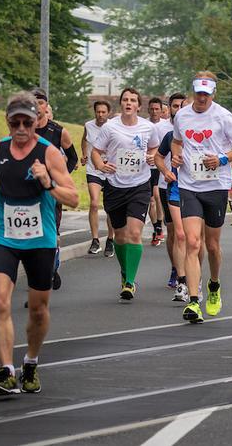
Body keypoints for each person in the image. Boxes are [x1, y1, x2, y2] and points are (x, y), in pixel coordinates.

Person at [0, 93, 78, 396]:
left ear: (36, 122)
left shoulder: (49, 154)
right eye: (15, 122)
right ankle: (7, 372)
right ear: (8, 122)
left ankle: (31, 362)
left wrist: (48, 182)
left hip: (40, 239)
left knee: (37, 309)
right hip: (4, 235)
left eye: (27, 122)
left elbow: (73, 198)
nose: (21, 128)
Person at [170, 72, 232, 323]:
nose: (202, 98)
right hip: (189, 184)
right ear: (193, 91)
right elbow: (176, 142)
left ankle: (214, 284)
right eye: (198, 92)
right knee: (192, 242)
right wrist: (176, 155)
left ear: (213, 94)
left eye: (207, 93)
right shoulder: (182, 115)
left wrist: (222, 158)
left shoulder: (223, 116)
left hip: (216, 185)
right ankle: (194, 301)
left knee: (212, 246)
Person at [90, 87, 160, 301]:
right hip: (114, 186)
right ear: (121, 104)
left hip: (139, 185)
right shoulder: (110, 127)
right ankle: (124, 272)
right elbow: (95, 151)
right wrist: (101, 166)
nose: (129, 103)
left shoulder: (148, 127)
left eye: (133, 100)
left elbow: (156, 148)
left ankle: (130, 281)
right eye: (125, 100)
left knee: (135, 234)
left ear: (139, 105)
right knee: (120, 237)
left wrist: (152, 157)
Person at [32, 89, 77, 290]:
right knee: (32, 234)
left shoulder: (58, 131)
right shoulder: (22, 129)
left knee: (51, 231)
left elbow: (73, 157)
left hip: (51, 192)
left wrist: (61, 179)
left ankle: (51, 266)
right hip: (28, 191)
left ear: (46, 105)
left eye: (40, 102)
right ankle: (40, 274)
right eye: (32, 102)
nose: (37, 106)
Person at [156, 93, 187, 287]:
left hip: (191, 187)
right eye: (175, 106)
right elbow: (155, 152)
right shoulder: (161, 128)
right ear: (170, 108)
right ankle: (176, 268)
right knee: (173, 231)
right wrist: (165, 170)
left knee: (187, 233)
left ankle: (188, 272)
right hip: (165, 184)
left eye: (181, 106)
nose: (178, 109)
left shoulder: (193, 127)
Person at [81, 100, 115, 257]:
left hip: (109, 170)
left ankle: (110, 239)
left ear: (108, 113)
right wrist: (84, 154)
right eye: (98, 112)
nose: (100, 115)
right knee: (94, 203)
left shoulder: (113, 126)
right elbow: (84, 139)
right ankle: (95, 240)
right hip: (94, 169)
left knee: (110, 208)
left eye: (103, 112)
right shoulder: (88, 125)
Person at [146, 97, 166, 247]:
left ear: (161, 110)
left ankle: (159, 223)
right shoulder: (143, 125)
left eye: (156, 109)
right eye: (151, 109)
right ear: (148, 110)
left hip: (160, 167)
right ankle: (156, 228)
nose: (154, 112)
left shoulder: (165, 126)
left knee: (158, 197)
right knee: (150, 200)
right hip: (145, 167)